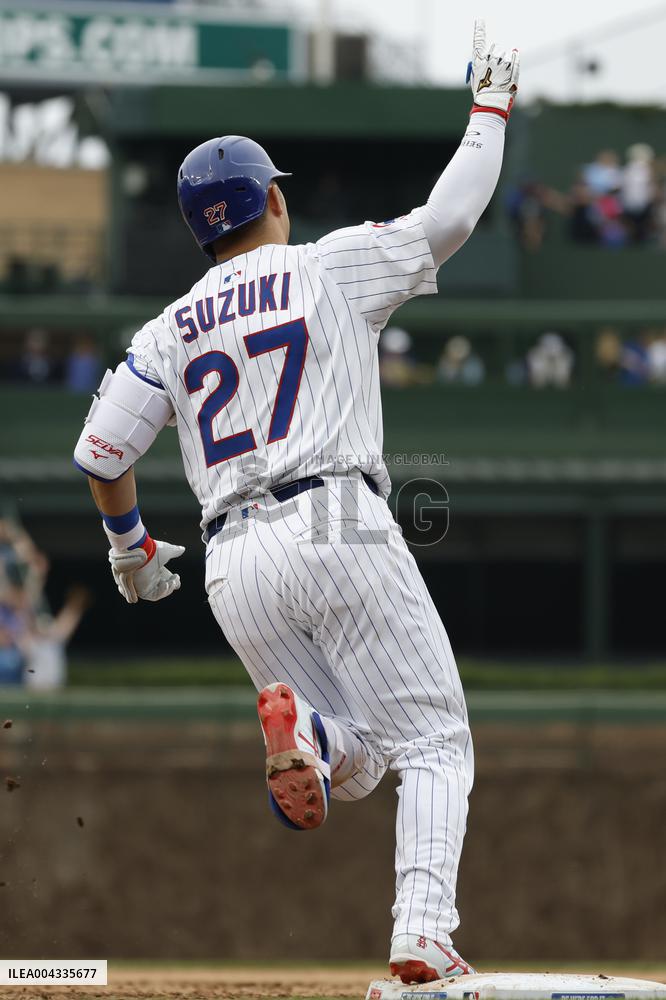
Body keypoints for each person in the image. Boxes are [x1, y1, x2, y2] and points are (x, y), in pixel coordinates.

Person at [73, 20, 518, 986]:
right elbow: (452, 216)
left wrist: (132, 552)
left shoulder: (167, 328)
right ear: (273, 198)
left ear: (201, 229)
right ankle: (423, 930)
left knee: (352, 767)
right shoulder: (325, 264)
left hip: (231, 559)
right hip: (335, 518)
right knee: (437, 741)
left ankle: (306, 732)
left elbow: (101, 449)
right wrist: (490, 107)